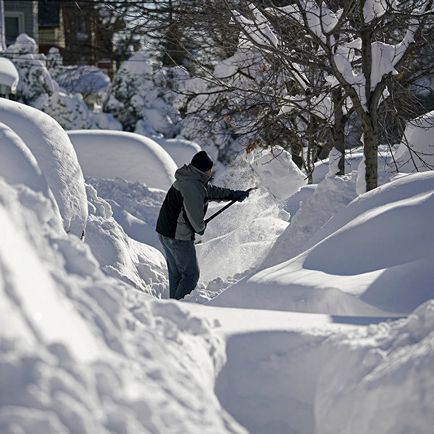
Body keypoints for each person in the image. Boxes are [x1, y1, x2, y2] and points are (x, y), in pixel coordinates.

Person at [156, 151, 250, 300]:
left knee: (177, 274)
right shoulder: (192, 186)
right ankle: (180, 308)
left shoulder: (191, 178)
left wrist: (233, 195)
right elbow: (194, 214)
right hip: (177, 235)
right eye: (210, 169)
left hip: (165, 231)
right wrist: (200, 227)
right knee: (191, 275)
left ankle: (172, 306)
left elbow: (208, 191)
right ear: (206, 169)